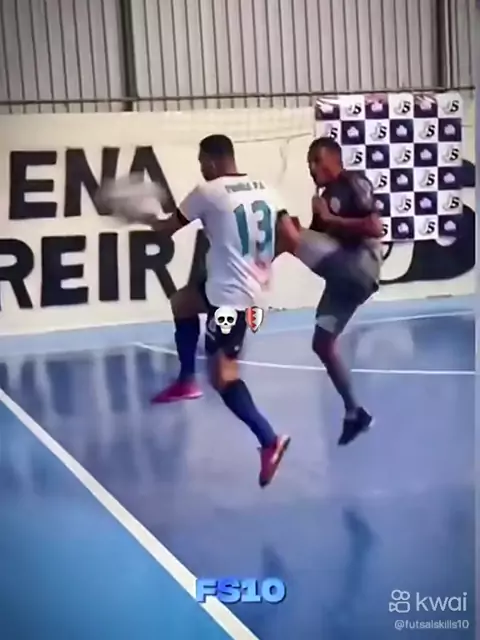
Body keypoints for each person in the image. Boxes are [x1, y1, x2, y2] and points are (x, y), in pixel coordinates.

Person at [145, 134, 300, 487]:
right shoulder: (267, 189)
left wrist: (144, 218)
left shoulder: (209, 191)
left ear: (213, 161)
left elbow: (168, 229)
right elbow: (292, 237)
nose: (202, 169)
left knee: (224, 377)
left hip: (230, 299)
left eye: (202, 163)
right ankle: (186, 381)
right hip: (236, 288)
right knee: (182, 302)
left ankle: (269, 440)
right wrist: (260, 265)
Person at [293, 136, 383, 445]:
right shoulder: (324, 196)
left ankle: (249, 274)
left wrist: (330, 218)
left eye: (316, 161)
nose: (312, 168)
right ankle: (355, 412)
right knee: (322, 344)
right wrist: (315, 220)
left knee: (284, 229)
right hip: (342, 279)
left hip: (360, 266)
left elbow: (375, 227)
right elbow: (317, 240)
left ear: (334, 159)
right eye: (309, 163)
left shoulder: (353, 182)